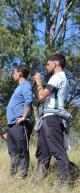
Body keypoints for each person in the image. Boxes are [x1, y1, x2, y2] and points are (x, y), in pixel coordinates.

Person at [33, 53, 71, 185]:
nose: (46, 66)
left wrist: (38, 81)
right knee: (43, 152)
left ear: (56, 64)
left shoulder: (57, 77)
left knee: (57, 150)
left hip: (52, 119)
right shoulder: (59, 77)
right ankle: (37, 182)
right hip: (48, 118)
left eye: (48, 64)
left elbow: (42, 96)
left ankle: (65, 182)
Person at [6, 64, 33, 178]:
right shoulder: (18, 87)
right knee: (13, 152)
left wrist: (24, 116)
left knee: (22, 151)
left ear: (20, 73)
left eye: (14, 72)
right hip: (12, 125)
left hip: (20, 125)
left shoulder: (26, 85)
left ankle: (22, 177)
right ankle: (12, 176)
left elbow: (29, 100)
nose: (13, 74)